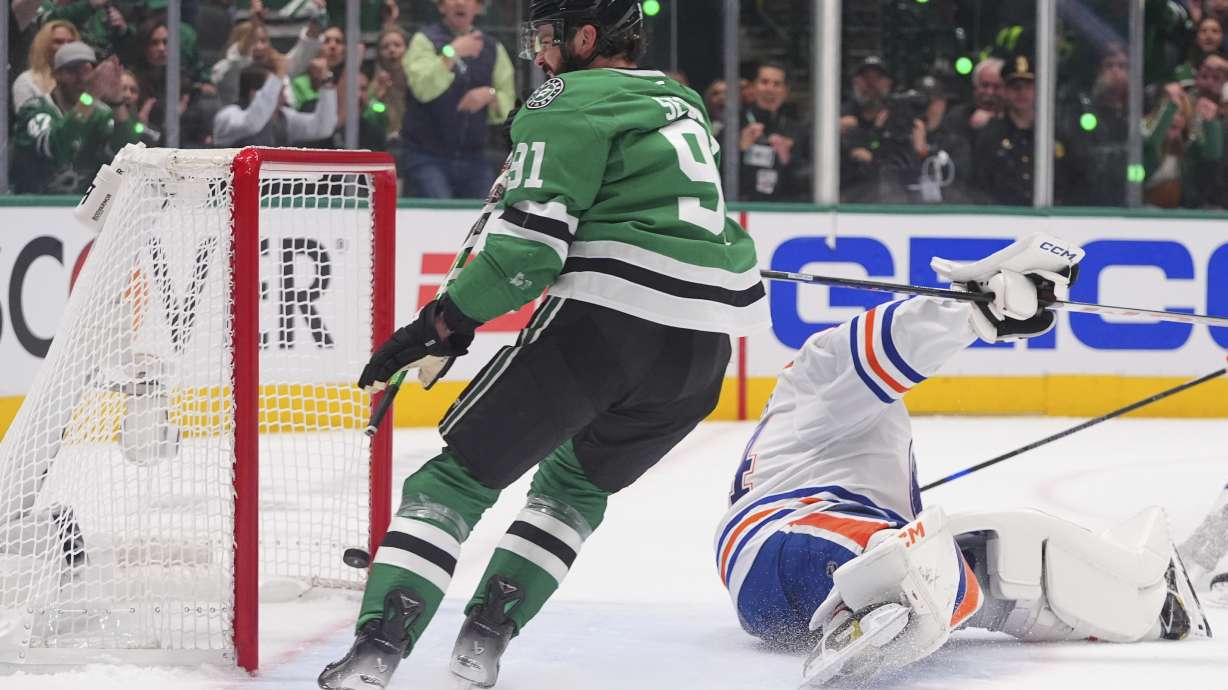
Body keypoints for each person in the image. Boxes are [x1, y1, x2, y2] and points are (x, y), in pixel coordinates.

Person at [317, 1, 769, 689]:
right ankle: (484, 640)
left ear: (588, 37)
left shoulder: (562, 99)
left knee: (454, 481)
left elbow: (526, 260)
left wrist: (438, 324)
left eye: (550, 38)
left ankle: (378, 650)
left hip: (606, 329)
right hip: (702, 356)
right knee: (574, 490)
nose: (540, 54)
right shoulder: (677, 98)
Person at [715, 234, 1211, 687]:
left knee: (994, 559)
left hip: (780, 594)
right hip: (784, 538)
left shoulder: (842, 418)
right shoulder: (816, 375)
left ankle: (1148, 604)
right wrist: (972, 309)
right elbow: (884, 342)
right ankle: (875, 598)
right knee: (911, 556)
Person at [401, 0, 516, 198]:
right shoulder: (424, 40)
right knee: (438, 213)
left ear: (478, 7)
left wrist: (490, 95)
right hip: (426, 155)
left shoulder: (493, 47)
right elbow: (422, 89)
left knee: (483, 217)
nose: (460, 2)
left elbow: (509, 101)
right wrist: (451, 53)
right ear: (441, 6)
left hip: (475, 156)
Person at [12, 41, 142, 194]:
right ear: (55, 74)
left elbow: (129, 156)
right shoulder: (34, 109)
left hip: (84, 207)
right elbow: (55, 148)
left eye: (87, 70)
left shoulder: (101, 114)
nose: (81, 78)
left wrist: (117, 102)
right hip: (33, 206)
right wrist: (90, 96)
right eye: (72, 71)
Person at [839, 55, 919, 203]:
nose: (871, 84)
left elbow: (906, 167)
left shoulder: (899, 119)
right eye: (865, 78)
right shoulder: (841, 117)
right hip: (850, 203)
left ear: (889, 84)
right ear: (855, 83)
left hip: (891, 203)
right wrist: (831, 131)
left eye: (877, 78)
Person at [211, 64, 337, 146]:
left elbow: (322, 128)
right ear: (255, 94)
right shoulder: (228, 116)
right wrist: (278, 73)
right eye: (276, 89)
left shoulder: (285, 116)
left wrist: (326, 83)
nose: (284, 95)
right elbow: (251, 124)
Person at [1143, 83, 1223, 207]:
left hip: (1182, 213)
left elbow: (1212, 156)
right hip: (1143, 209)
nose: (1174, 118)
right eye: (1171, 111)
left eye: (1180, 113)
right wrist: (1170, 107)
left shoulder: (1188, 149)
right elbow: (1153, 145)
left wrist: (1210, 123)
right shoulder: (1143, 142)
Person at [211, 16, 323, 105]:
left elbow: (303, 53)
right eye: (253, 41)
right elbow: (238, 61)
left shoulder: (277, 66)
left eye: (263, 41)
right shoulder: (223, 68)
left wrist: (316, 21)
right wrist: (254, 26)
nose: (260, 47)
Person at [738, 62, 804, 201]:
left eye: (777, 84)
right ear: (753, 88)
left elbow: (806, 183)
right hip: (739, 204)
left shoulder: (795, 129)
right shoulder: (735, 124)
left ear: (786, 92)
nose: (770, 89)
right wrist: (741, 149)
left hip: (780, 208)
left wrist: (787, 159)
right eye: (764, 82)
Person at [12, 20, 80, 111]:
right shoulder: (27, 81)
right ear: (44, 46)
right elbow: (29, 120)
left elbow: (92, 105)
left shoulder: (80, 80)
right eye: (58, 42)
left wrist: (93, 95)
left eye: (71, 42)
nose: (66, 47)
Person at [941, 57, 1003, 147]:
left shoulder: (1017, 118)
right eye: (984, 85)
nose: (990, 92)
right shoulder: (957, 117)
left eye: (996, 87)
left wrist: (994, 123)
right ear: (975, 88)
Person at [1175, 15, 1225, 89]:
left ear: (1222, 36)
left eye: (1215, 31)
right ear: (1197, 36)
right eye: (1203, 31)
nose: (1209, 36)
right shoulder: (1184, 70)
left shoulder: (1225, 64)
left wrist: (1224, 65)